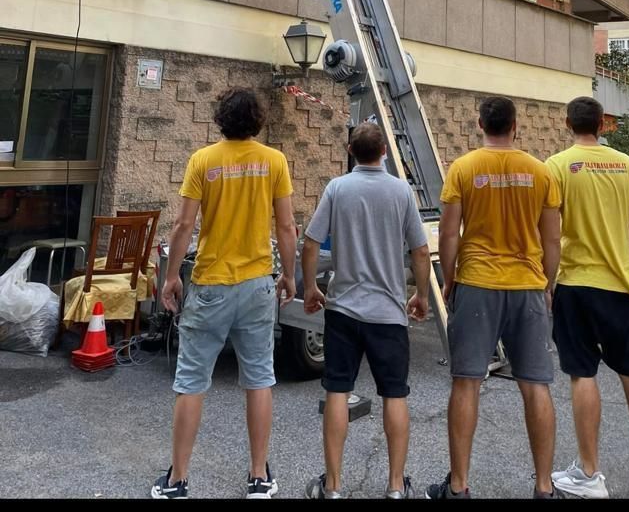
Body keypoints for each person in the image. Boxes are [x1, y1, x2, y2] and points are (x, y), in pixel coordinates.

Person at [151, 88, 296, 500]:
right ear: (258, 121)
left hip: (211, 283)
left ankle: (177, 480)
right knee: (259, 379)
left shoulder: (203, 160)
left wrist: (172, 276)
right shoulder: (274, 161)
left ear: (220, 119)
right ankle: (258, 477)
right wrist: (288, 275)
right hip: (257, 283)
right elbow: (286, 226)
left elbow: (183, 225)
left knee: (191, 381)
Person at [426, 96, 562, 501]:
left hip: (477, 283)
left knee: (466, 383)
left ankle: (458, 486)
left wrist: (449, 279)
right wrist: (547, 284)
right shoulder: (540, 172)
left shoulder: (463, 168)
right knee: (536, 385)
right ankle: (544, 487)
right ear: (515, 126)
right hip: (527, 285)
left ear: (480, 124)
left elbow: (448, 232)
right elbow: (552, 239)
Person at [546, 97, 629, 499]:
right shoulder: (626, 164)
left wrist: (547, 282)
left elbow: (550, 233)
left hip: (576, 283)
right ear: (603, 124)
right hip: (620, 285)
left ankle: (589, 473)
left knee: (583, 373)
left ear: (568, 124)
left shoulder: (558, 166)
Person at [301, 122, 431, 500]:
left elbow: (311, 243)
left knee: (337, 391)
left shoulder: (337, 188)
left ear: (350, 151)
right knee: (395, 394)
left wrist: (310, 288)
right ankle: (395, 486)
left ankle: (333, 487)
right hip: (388, 312)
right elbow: (421, 251)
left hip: (343, 309)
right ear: (384, 152)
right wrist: (422, 296)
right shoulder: (401, 191)